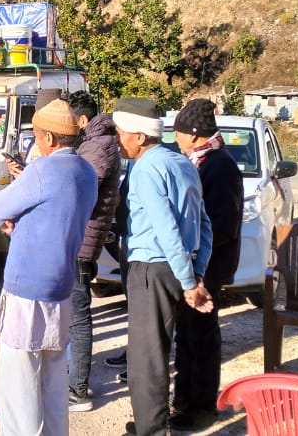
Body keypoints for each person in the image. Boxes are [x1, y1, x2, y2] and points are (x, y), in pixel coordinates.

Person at [0, 99, 97, 436]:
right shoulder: (86, 171)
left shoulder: (42, 170)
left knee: (19, 385)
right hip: (61, 283)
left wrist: (12, 220)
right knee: (53, 380)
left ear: (48, 137)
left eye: (35, 134)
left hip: (27, 286)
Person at [111, 97, 214, 436]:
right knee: (157, 351)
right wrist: (195, 273)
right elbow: (203, 224)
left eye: (121, 133)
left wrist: (190, 282)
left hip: (151, 268)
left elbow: (165, 228)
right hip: (174, 268)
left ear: (140, 136)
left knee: (146, 359)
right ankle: (149, 422)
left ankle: (152, 429)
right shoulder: (182, 162)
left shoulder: (146, 168)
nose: (117, 140)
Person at [170, 98, 244, 431]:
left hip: (209, 267)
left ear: (194, 134)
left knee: (201, 337)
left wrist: (196, 250)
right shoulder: (198, 160)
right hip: (195, 265)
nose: (176, 138)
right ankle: (184, 398)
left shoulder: (220, 166)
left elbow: (224, 225)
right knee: (186, 335)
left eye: (179, 132)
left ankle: (202, 407)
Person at [64, 91, 122, 413]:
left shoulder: (98, 146)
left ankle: (79, 389)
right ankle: (73, 378)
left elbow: (79, 187)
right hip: (83, 235)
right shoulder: (95, 142)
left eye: (69, 120)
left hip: (83, 238)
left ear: (83, 120)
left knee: (78, 316)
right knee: (75, 313)